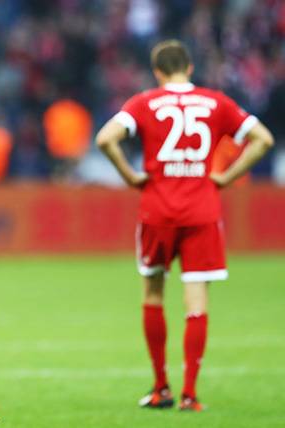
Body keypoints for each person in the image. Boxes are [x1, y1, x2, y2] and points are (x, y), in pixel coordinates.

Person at [95, 39, 274, 411]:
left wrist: (130, 175)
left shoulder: (144, 102)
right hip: (201, 213)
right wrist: (225, 177)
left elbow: (105, 138)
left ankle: (161, 387)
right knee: (197, 303)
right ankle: (190, 394)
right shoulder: (216, 102)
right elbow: (263, 140)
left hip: (157, 212)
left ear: (157, 71)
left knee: (154, 295)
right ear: (190, 68)